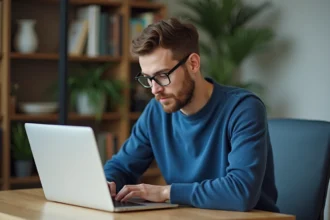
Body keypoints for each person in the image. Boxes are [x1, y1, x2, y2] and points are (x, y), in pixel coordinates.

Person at [103, 17, 279, 212]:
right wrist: (107, 182)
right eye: (148, 78)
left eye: (162, 76)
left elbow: (241, 192)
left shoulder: (243, 109)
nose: (154, 90)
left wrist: (165, 193)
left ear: (193, 64)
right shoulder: (156, 111)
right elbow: (121, 167)